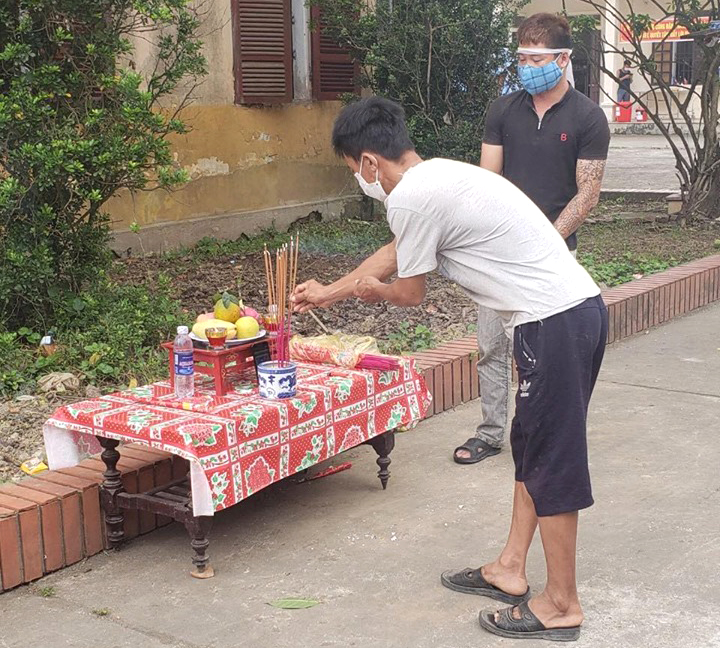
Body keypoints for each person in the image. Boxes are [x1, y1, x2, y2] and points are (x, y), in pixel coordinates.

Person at [293, 96, 608, 641]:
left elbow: (408, 292)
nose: (359, 181)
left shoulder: (411, 199)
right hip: (571, 313)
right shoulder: (437, 177)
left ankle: (561, 605)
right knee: (533, 447)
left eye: (354, 171)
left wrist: (368, 292)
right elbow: (396, 251)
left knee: (552, 463)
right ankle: (510, 568)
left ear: (370, 162)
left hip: (552, 323)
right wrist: (330, 292)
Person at [453, 12, 610, 465]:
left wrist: (546, 239)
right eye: (521, 56)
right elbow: (488, 180)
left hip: (554, 255)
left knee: (548, 349)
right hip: (498, 254)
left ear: (562, 59)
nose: (526, 65)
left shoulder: (588, 117)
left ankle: (544, 428)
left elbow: (588, 193)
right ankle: (489, 432)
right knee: (491, 346)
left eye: (536, 57)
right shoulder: (504, 110)